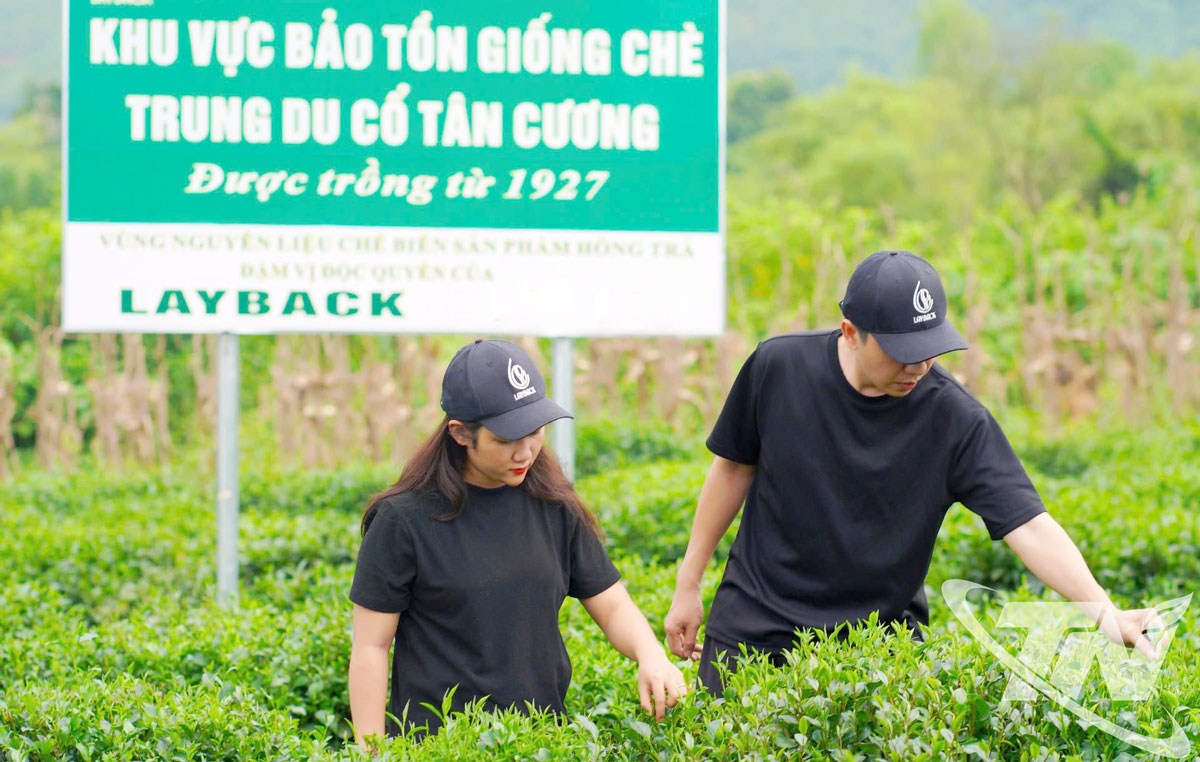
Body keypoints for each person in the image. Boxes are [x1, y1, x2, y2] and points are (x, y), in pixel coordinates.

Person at [662, 250, 1163, 695]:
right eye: (903, 351)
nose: (919, 366)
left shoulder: (954, 418)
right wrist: (689, 584)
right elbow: (732, 468)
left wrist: (1103, 612)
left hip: (876, 650)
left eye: (931, 348)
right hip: (754, 630)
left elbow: (1029, 525)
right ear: (851, 333)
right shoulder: (778, 367)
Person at [348, 338, 686, 748]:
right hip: (440, 748)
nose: (525, 451)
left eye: (536, 431)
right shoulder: (404, 520)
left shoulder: (553, 504)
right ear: (460, 433)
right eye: (506, 439)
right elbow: (371, 645)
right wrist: (372, 751)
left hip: (541, 744)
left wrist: (650, 654)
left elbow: (611, 603)